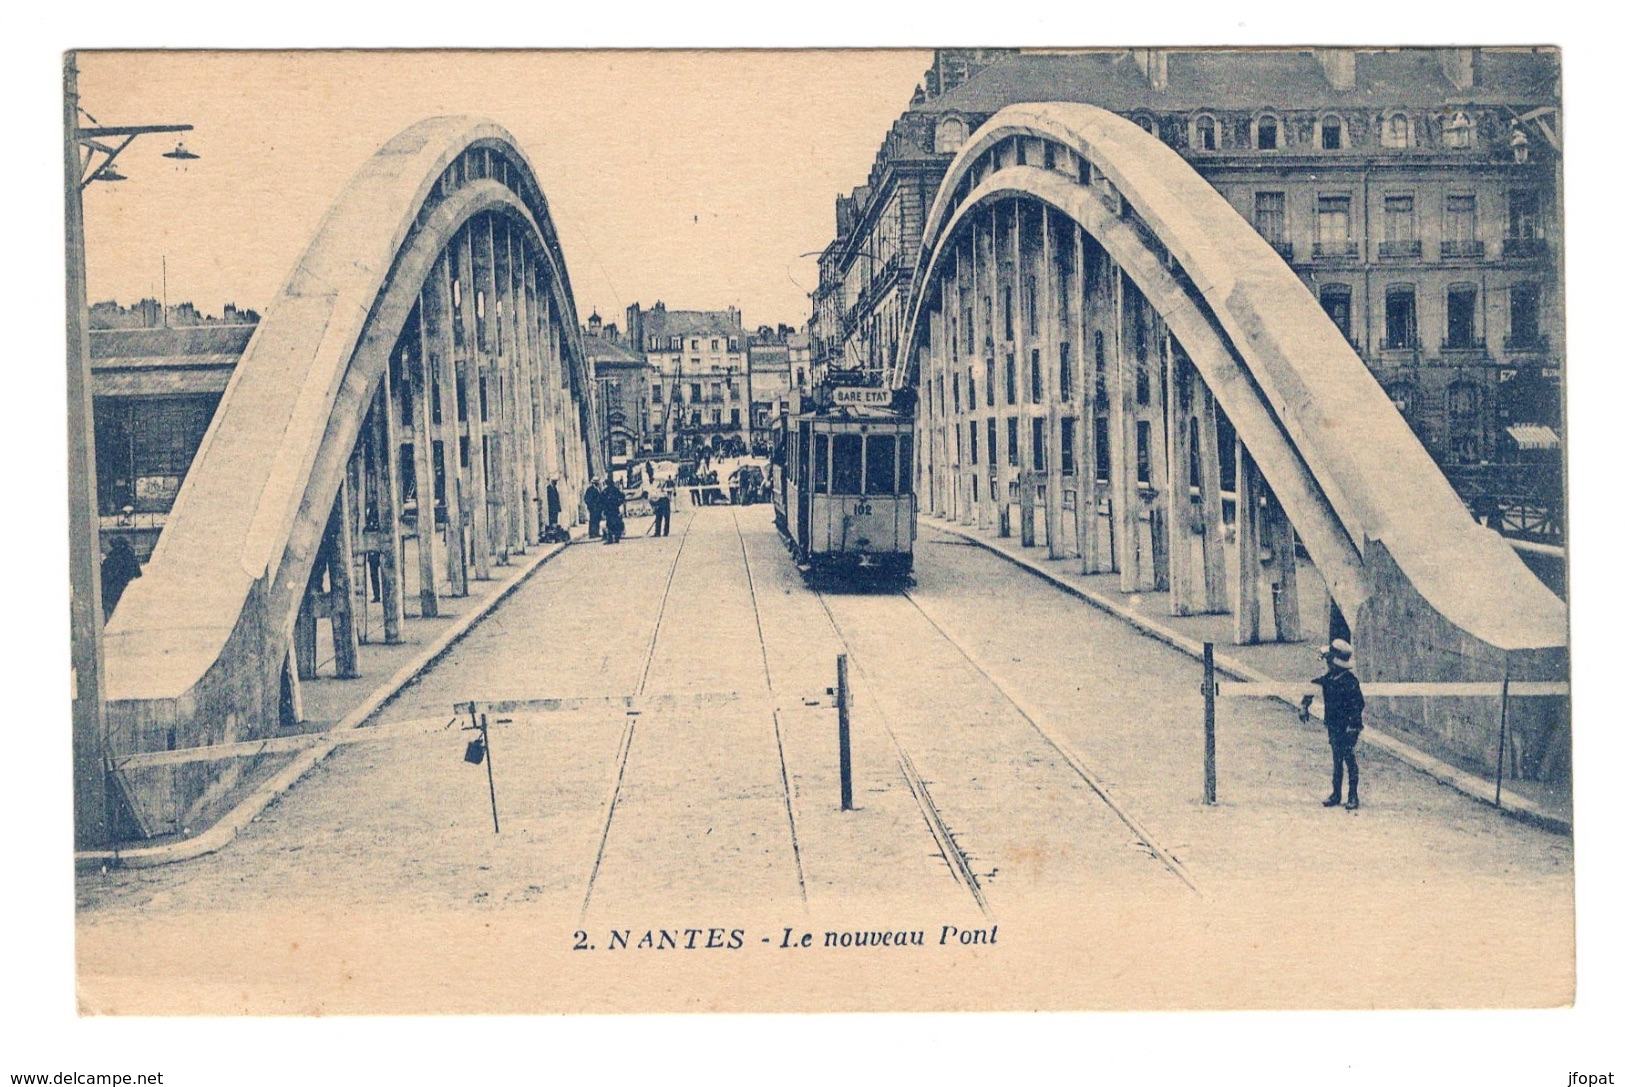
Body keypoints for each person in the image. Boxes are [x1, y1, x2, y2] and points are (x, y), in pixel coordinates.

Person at [1300, 638, 1366, 810]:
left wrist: (1353, 727)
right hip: (1334, 726)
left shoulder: (1350, 682)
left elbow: (1358, 705)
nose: (1327, 664)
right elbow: (1313, 686)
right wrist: (1304, 705)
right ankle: (1336, 794)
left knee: (1349, 760)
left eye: (1329, 660)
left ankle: (1353, 796)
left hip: (1348, 727)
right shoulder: (1330, 678)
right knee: (1337, 760)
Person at [101, 536, 143, 621]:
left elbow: (104, 576)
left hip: (113, 589)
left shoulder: (111, 558)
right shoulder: (130, 556)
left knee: (111, 611)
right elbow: (138, 574)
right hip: (126, 588)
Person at [601, 479, 625, 544]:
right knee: (615, 523)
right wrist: (619, 503)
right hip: (614, 509)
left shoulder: (606, 491)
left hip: (610, 510)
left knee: (610, 524)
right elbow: (623, 496)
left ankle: (611, 539)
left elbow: (601, 500)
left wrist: (604, 508)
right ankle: (616, 538)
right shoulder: (615, 490)